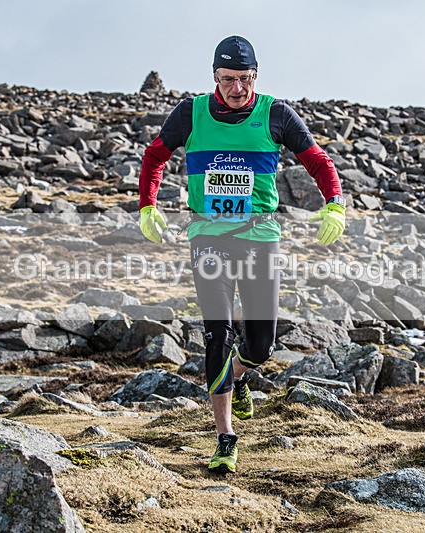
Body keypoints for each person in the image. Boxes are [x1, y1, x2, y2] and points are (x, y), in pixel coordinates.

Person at [138, 35, 346, 474]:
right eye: (228, 79)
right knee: (218, 333)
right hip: (208, 237)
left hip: (259, 237)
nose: (236, 88)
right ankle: (226, 437)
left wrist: (334, 204)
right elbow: (154, 156)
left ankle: (241, 373)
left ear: (256, 75)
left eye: (244, 79)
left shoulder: (276, 113)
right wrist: (147, 205)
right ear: (215, 76)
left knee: (261, 344)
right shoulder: (190, 114)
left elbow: (319, 162)